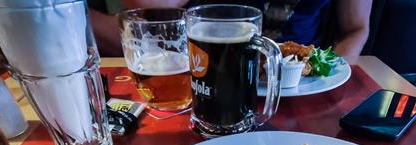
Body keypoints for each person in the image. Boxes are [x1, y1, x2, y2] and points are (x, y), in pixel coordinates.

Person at [89, 0, 373, 64]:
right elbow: (153, 4)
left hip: (297, 83)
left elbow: (357, 29)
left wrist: (330, 72)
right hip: (208, 70)